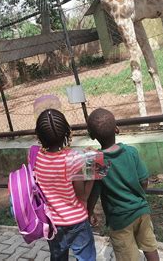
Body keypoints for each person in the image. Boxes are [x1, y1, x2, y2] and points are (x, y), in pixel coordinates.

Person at [86, 108, 160, 261]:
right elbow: (144, 180)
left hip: (119, 219)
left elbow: (94, 192)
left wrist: (89, 211)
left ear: (92, 136)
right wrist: (140, 195)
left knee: (128, 256)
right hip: (141, 211)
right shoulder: (131, 152)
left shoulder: (96, 162)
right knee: (150, 246)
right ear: (117, 129)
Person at [34, 109, 96, 261]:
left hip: (53, 223)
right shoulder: (73, 159)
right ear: (68, 132)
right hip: (77, 222)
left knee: (58, 256)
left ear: (39, 136)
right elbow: (83, 196)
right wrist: (92, 173)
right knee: (86, 257)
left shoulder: (36, 158)